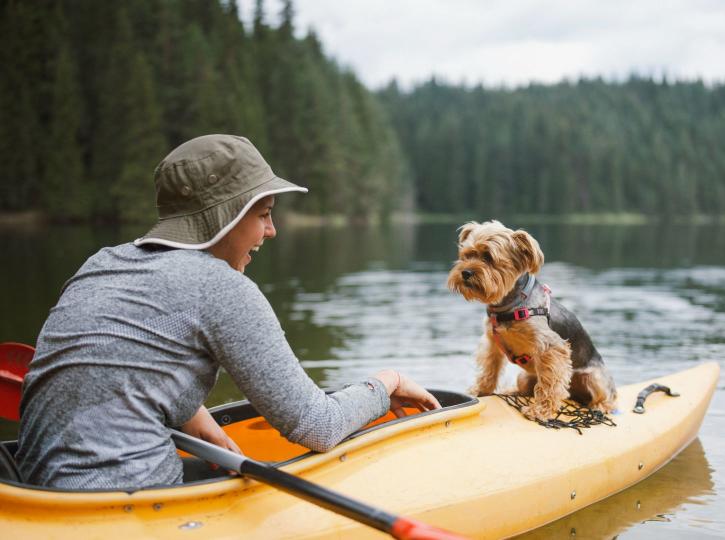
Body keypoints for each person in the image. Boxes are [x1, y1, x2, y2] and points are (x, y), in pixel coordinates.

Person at [16, 134, 440, 490]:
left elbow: (121, 365)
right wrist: (388, 382)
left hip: (36, 495)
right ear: (226, 217)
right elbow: (317, 425)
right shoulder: (222, 287)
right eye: (263, 214)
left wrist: (198, 420)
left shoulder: (105, 262)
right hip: (128, 504)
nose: (271, 231)